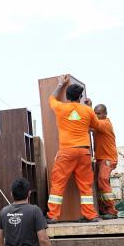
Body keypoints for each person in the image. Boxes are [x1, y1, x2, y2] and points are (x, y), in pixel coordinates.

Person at [46, 74, 101, 223]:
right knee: (85, 185)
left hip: (67, 151)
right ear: (81, 96)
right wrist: (88, 107)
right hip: (84, 152)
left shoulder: (61, 108)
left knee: (58, 183)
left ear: (67, 96)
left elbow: (51, 99)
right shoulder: (88, 111)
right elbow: (96, 127)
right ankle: (90, 215)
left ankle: (53, 216)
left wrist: (59, 84)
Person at [93, 104, 118, 219]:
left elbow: (89, 124)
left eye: (98, 114)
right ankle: (104, 208)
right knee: (100, 183)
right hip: (101, 158)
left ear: (105, 114)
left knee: (102, 180)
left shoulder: (105, 124)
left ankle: (112, 211)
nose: (96, 116)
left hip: (108, 158)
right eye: (95, 113)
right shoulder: (99, 124)